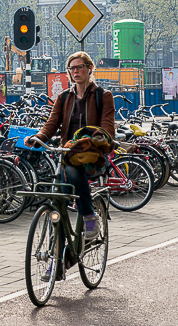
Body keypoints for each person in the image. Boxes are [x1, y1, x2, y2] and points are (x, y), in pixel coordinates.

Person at [26, 51, 115, 239]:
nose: (75, 71)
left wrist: (98, 136)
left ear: (89, 69)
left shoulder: (103, 96)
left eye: (79, 67)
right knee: (56, 197)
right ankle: (55, 250)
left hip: (93, 155)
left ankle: (89, 216)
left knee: (73, 172)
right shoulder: (64, 97)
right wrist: (39, 137)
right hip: (67, 153)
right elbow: (52, 123)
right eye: (71, 68)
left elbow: (107, 124)